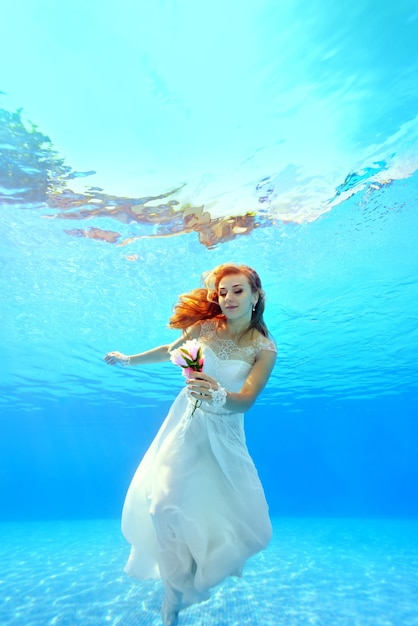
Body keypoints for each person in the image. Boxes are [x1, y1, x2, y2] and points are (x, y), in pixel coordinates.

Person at [104, 263, 277, 626]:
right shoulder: (205, 327)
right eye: (223, 291)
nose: (227, 298)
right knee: (163, 507)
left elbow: (246, 400)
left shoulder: (264, 348)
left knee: (211, 507)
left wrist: (218, 395)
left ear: (256, 295)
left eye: (237, 290)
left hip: (225, 431)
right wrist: (129, 360)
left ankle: (200, 568)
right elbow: (171, 348)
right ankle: (174, 592)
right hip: (186, 422)